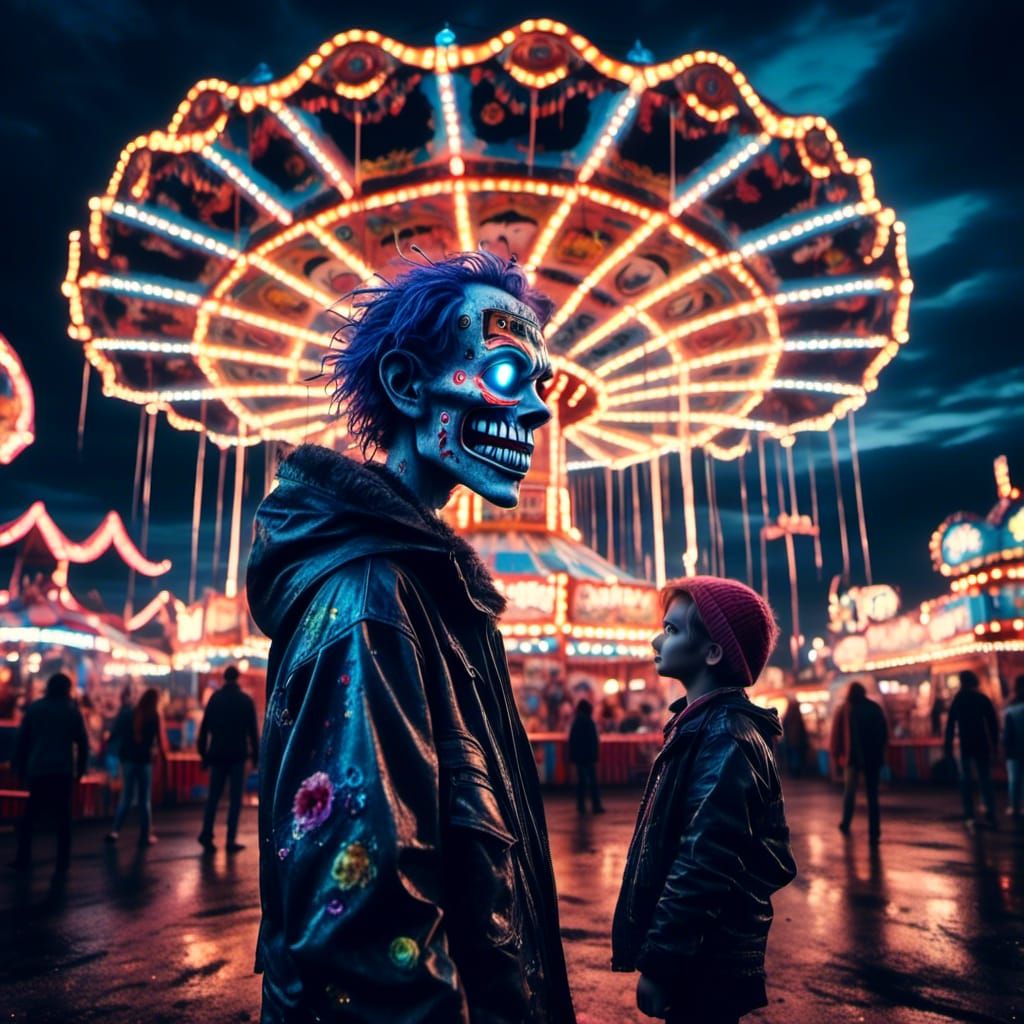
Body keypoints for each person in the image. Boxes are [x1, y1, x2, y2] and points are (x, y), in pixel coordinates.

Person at [247, 251, 575, 1023]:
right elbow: (364, 922)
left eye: (541, 385)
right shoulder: (374, 602)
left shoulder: (431, 591)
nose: (535, 412)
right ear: (404, 386)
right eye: (503, 376)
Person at [612, 576, 797, 1024]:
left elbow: (703, 860)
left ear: (713, 652)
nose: (658, 638)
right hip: (706, 953)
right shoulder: (704, 726)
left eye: (673, 630)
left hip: (705, 959)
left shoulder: (724, 735)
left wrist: (661, 961)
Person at [11, 673, 89, 874]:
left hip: (38, 768)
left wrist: (18, 766)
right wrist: (80, 770)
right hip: (62, 770)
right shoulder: (72, 712)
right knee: (63, 818)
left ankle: (23, 857)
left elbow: (22, 740)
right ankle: (62, 863)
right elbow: (82, 743)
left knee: (30, 816)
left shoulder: (35, 708)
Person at [197, 665, 259, 852]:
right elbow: (253, 732)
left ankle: (207, 833)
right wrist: (256, 756)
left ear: (224, 678)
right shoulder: (245, 701)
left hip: (217, 754)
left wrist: (203, 754)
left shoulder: (215, 699)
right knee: (234, 799)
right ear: (238, 678)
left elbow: (204, 728)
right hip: (237, 755)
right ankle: (230, 839)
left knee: (213, 797)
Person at [105, 687, 169, 846]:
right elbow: (160, 742)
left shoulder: (129, 713)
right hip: (144, 760)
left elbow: (115, 735)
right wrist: (164, 759)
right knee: (144, 799)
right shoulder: (154, 716)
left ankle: (115, 831)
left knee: (126, 797)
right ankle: (145, 835)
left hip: (127, 759)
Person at [830, 681, 888, 843]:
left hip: (852, 758)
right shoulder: (874, 708)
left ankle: (846, 823)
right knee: (872, 795)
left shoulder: (845, 709)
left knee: (849, 792)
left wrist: (836, 754)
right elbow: (884, 733)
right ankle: (874, 830)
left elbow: (836, 735)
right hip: (873, 758)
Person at [944, 670, 999, 829]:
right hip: (982, 742)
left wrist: (947, 746)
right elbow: (992, 723)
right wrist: (994, 744)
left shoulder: (959, 699)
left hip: (966, 743)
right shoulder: (982, 698)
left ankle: (969, 814)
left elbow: (950, 724)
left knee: (965, 780)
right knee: (985, 778)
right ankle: (990, 812)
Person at [568, 699, 604, 814]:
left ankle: (581, 806)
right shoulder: (589, 722)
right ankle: (596, 805)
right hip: (588, 757)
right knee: (593, 782)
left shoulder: (576, 722)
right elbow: (593, 740)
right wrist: (595, 755)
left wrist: (573, 757)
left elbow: (572, 741)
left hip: (580, 757)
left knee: (581, 783)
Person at [1002, 675, 1024, 818]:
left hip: (1015, 748)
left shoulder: (1011, 708)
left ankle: (1015, 806)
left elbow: (1007, 733)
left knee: (1014, 780)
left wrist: (1005, 747)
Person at [781, 699, 810, 778]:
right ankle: (796, 772)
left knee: (792, 756)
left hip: (789, 740)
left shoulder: (788, 716)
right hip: (797, 740)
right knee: (796, 756)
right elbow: (802, 729)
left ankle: (793, 772)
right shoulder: (798, 716)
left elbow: (783, 727)